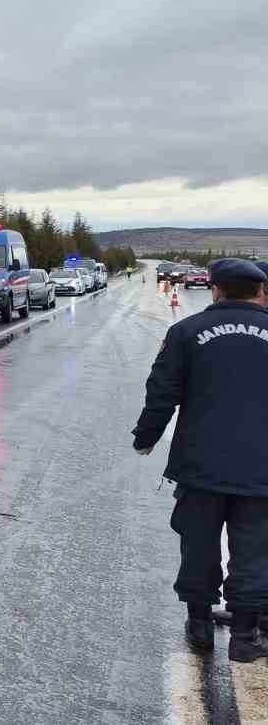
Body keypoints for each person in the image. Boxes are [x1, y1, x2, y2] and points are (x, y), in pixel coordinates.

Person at [133, 258, 268, 661]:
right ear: (259, 291)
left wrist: (146, 438)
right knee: (255, 548)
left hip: (201, 463)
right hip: (261, 467)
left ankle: (199, 625)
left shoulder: (186, 332)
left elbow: (161, 392)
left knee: (199, 544)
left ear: (216, 289)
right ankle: (245, 636)